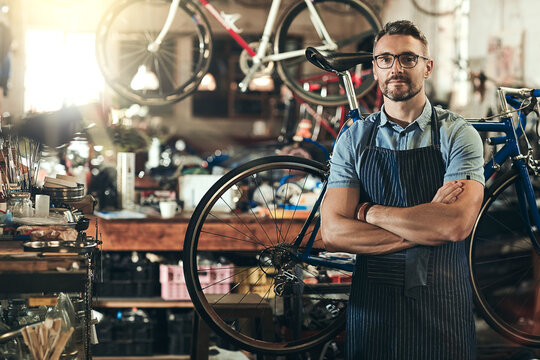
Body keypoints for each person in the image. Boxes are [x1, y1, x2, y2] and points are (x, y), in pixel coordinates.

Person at [320, 20, 484, 359]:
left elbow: (454, 225)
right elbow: (334, 232)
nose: (396, 68)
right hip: (373, 309)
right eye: (385, 59)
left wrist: (369, 212)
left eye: (408, 58)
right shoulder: (354, 139)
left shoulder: (457, 134)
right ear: (374, 69)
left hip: (443, 303)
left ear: (427, 67)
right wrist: (427, 228)